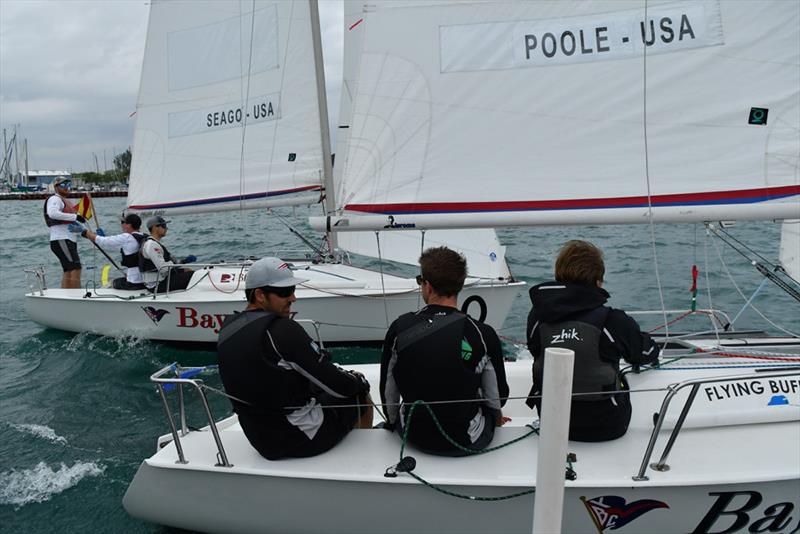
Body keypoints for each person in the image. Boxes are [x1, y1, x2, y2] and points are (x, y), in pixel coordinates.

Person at [217, 257, 373, 460]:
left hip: (259, 437)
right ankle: (366, 455)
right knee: (358, 390)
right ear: (259, 295)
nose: (293, 298)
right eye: (284, 292)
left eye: (292, 290)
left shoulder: (227, 328)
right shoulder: (282, 330)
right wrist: (357, 381)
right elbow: (340, 386)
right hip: (297, 438)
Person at [526, 240, 660, 442]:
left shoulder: (538, 317)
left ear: (558, 276)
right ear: (598, 281)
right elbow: (646, 354)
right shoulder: (613, 320)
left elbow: (534, 349)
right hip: (607, 425)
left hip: (552, 422)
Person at [380, 246, 509, 456]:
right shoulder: (483, 333)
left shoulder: (399, 327)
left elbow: (388, 393)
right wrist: (495, 418)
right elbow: (497, 397)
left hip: (413, 435)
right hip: (467, 440)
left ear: (428, 286)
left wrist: (393, 422)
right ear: (460, 285)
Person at [79, 213, 146, 290]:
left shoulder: (127, 237)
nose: (122, 225)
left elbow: (103, 241)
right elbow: (115, 247)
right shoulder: (143, 236)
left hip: (134, 281)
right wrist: (101, 237)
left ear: (129, 225)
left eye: (123, 223)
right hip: (145, 280)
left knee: (113, 283)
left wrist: (85, 232)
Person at [44, 177, 85, 288]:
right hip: (61, 239)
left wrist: (86, 232)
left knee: (68, 269)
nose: (67, 187)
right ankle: (76, 298)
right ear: (56, 187)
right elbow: (52, 213)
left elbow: (69, 223)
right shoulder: (55, 199)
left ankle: (66, 296)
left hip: (67, 240)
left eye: (68, 184)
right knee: (75, 267)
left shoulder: (66, 201)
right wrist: (75, 216)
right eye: (63, 185)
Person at [138, 216, 196, 293]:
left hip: (160, 280)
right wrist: (176, 263)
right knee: (193, 275)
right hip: (157, 285)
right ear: (155, 228)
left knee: (186, 270)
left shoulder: (153, 243)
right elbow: (163, 268)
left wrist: (183, 262)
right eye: (164, 226)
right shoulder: (151, 245)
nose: (166, 228)